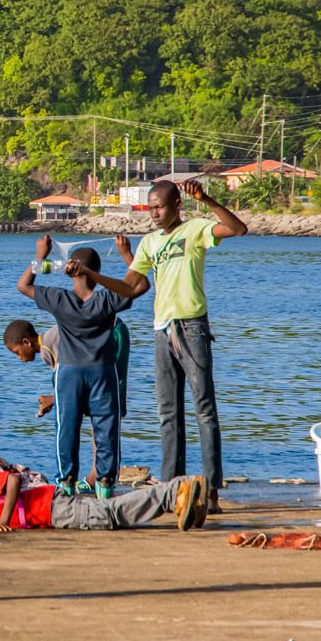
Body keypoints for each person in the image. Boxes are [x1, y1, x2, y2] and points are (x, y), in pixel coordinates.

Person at [83, 178, 247, 513]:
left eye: (159, 206)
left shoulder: (196, 230)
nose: (154, 213)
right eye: (150, 207)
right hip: (161, 330)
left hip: (192, 329)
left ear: (176, 205)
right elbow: (130, 287)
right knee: (168, 413)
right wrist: (94, 276)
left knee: (205, 409)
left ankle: (211, 489)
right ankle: (172, 488)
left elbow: (238, 229)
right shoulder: (149, 243)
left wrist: (208, 199)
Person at [15, 236, 135, 499]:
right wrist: (127, 254)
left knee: (67, 428)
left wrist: (40, 256)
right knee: (106, 429)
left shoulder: (59, 299)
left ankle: (66, 484)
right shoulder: (107, 301)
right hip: (103, 371)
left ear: (71, 269)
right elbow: (134, 288)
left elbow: (23, 285)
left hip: (68, 371)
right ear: (97, 272)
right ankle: (105, 486)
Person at [0, 451, 208, 532]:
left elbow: (12, 481)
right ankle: (189, 488)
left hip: (51, 508)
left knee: (111, 514)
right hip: (50, 503)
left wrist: (2, 522)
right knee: (109, 513)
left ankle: (176, 491)